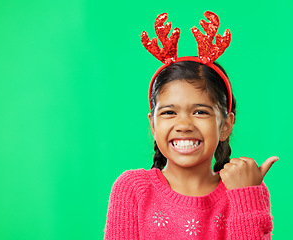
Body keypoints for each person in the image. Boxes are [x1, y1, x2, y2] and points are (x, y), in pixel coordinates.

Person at [104, 11, 279, 240]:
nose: (184, 124)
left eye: (200, 112)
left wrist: (245, 195)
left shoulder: (243, 190)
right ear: (153, 125)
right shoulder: (133, 189)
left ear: (225, 124)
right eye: (169, 112)